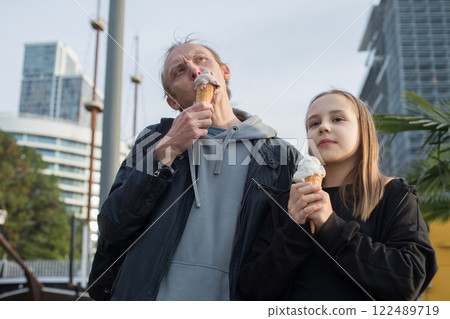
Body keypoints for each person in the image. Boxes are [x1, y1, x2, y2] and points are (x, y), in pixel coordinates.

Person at [88, 38, 299, 300]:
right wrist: (170, 147)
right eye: (179, 71)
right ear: (173, 101)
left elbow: (289, 246)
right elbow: (113, 226)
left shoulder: (281, 155)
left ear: (224, 72)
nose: (194, 71)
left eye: (201, 60)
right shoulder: (153, 139)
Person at [238, 89, 438, 301]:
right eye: (314, 124)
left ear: (363, 131)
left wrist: (330, 225)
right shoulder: (288, 201)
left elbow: (410, 280)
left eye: (338, 119)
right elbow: (252, 290)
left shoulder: (395, 195)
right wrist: (293, 229)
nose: (323, 127)